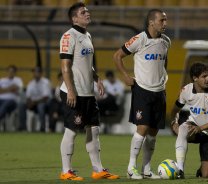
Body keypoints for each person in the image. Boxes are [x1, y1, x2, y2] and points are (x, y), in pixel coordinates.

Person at [58, 2, 119, 181]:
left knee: (93, 129)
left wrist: (97, 78)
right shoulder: (68, 36)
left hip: (87, 92)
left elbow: (86, 65)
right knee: (72, 130)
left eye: (87, 11)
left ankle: (98, 169)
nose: (87, 13)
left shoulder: (87, 35)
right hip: (74, 92)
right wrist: (70, 91)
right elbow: (65, 66)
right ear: (74, 18)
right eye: (83, 12)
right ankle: (66, 171)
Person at [113, 9, 170, 179]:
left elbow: (164, 61)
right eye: (162, 20)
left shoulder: (166, 41)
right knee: (142, 128)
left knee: (153, 133)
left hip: (159, 91)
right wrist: (125, 76)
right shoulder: (140, 39)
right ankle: (131, 168)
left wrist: (162, 77)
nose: (165, 24)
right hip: (142, 90)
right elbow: (117, 56)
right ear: (151, 22)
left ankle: (146, 169)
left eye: (165, 20)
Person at [170, 62, 208, 179]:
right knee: (183, 129)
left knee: (207, 175)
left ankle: (202, 168)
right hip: (194, 127)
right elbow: (175, 110)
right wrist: (174, 123)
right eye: (204, 76)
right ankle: (180, 170)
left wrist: (201, 128)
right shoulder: (186, 90)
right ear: (195, 78)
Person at [19, 67, 52, 132]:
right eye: (34, 72)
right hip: (33, 103)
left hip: (45, 103)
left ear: (40, 73)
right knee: (21, 105)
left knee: (41, 106)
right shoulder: (31, 83)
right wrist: (29, 103)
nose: (35, 74)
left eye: (37, 72)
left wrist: (34, 102)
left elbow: (46, 97)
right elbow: (28, 96)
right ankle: (23, 128)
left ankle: (42, 128)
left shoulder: (45, 82)